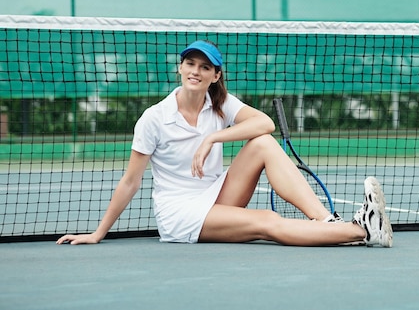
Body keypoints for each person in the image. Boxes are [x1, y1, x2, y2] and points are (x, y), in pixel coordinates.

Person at [57, 40, 393, 247]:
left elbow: (266, 124)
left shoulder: (219, 104)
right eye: (190, 64)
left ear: (215, 75)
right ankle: (360, 231)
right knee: (265, 222)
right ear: (181, 68)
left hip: (216, 193)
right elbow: (130, 182)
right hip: (181, 214)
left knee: (262, 142)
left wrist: (214, 136)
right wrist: (98, 233)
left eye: (205, 67)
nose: (196, 71)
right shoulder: (154, 118)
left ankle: (325, 221)